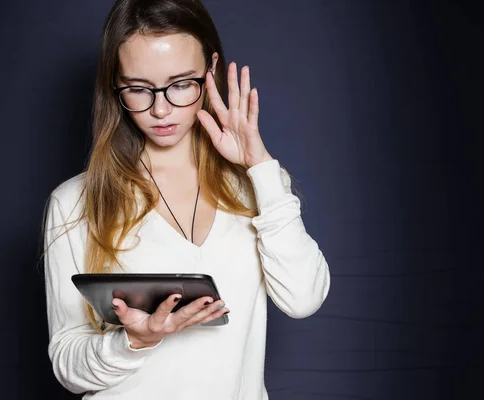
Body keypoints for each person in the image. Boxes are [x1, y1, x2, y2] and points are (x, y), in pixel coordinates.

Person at [43, 0, 330, 398]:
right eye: (139, 89)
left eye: (181, 84)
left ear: (211, 69)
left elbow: (303, 299)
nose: (160, 110)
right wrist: (133, 340)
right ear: (115, 84)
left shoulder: (259, 186)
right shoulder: (74, 202)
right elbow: (68, 365)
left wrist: (260, 166)